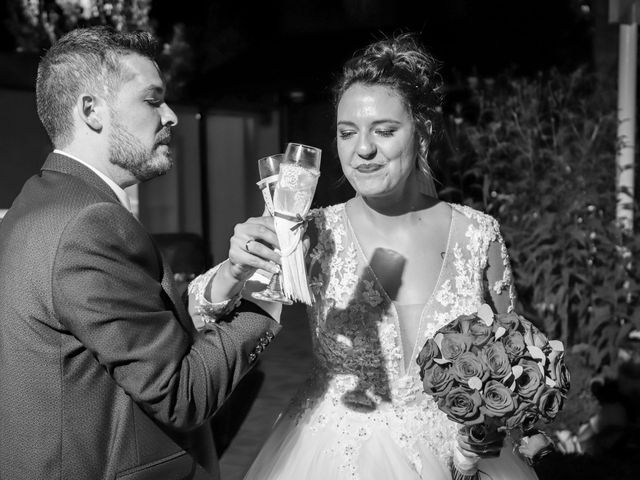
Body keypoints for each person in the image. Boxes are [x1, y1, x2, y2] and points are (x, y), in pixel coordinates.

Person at [207, 34, 542, 479]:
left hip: (465, 458)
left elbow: (510, 358)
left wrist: (495, 428)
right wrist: (233, 269)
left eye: (384, 131)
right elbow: (206, 314)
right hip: (333, 456)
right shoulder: (311, 233)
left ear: (421, 133)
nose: (363, 149)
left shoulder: (478, 235)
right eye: (348, 133)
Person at [0, 26, 281, 480]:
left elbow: (138, 334)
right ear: (91, 110)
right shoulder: (90, 223)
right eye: (152, 100)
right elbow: (180, 393)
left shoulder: (35, 204)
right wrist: (271, 289)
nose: (171, 116)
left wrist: (230, 275)